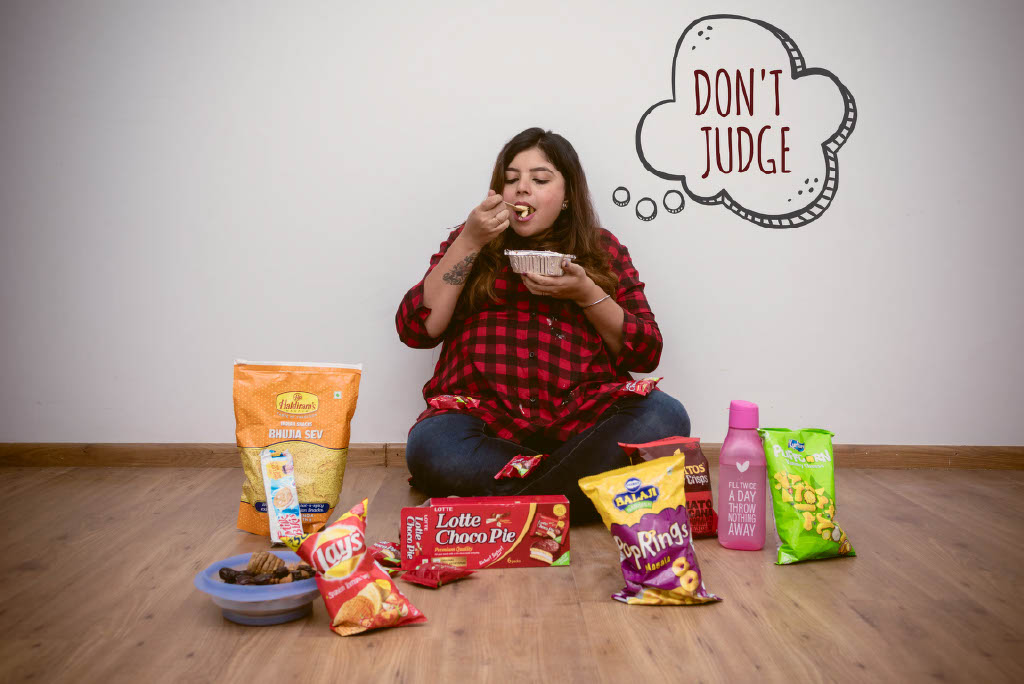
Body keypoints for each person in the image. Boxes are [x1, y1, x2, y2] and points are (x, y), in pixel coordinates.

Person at [395, 127, 690, 521]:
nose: (522, 188)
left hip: (582, 422)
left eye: (540, 179)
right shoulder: (470, 244)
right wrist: (469, 240)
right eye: (511, 179)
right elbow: (417, 330)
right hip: (485, 422)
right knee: (432, 449)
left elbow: (646, 351)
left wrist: (586, 293)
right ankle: (582, 492)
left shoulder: (602, 249)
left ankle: (523, 501)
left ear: (567, 196)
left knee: (665, 416)